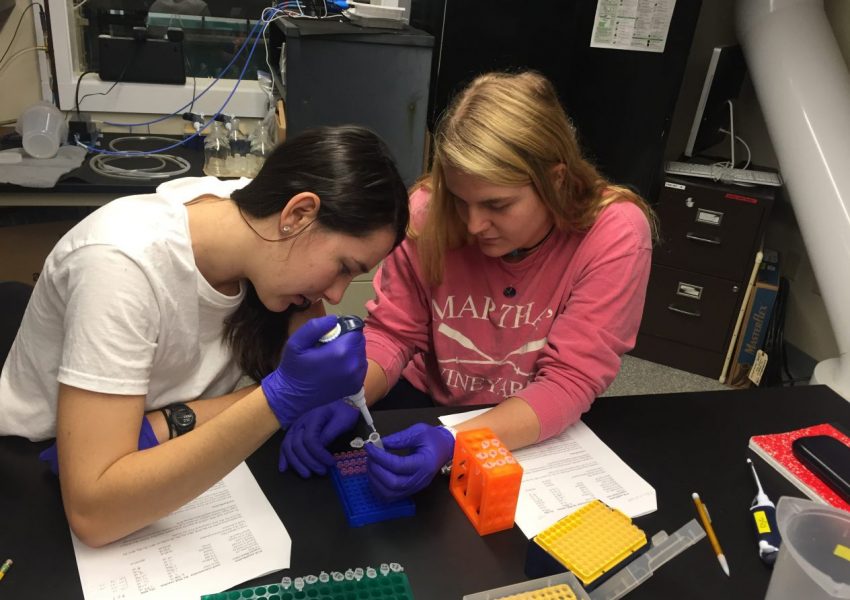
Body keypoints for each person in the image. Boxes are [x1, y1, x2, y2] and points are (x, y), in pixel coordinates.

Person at [0, 125, 409, 546]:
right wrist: (276, 398)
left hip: (173, 455)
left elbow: (310, 383)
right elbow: (95, 515)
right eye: (343, 266)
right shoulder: (120, 264)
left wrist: (175, 421)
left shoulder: (262, 221)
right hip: (42, 473)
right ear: (299, 214)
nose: (337, 294)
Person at [278, 71, 655, 502]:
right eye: (459, 199)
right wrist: (349, 395)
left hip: (535, 412)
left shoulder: (613, 233)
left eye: (497, 205)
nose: (474, 225)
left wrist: (457, 442)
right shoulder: (427, 213)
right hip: (427, 396)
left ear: (556, 180)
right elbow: (394, 335)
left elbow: (568, 381)